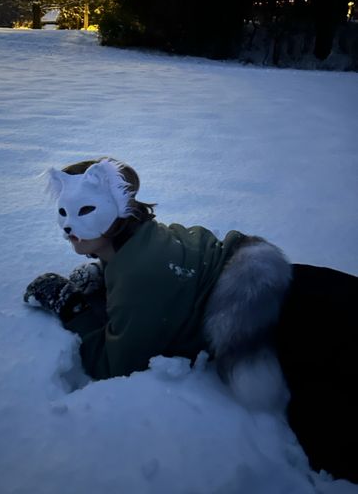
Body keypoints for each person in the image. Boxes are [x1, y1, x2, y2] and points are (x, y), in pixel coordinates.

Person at [24, 157, 358, 483]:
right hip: (294, 283)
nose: (69, 227)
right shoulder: (150, 236)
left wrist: (72, 309)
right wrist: (105, 281)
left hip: (297, 327)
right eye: (63, 211)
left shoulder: (140, 274)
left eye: (85, 210)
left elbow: (114, 365)